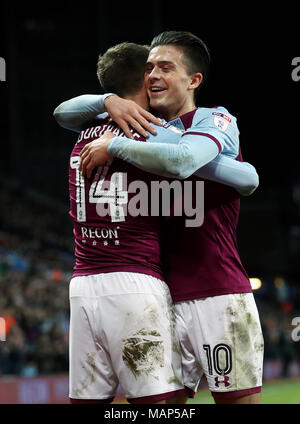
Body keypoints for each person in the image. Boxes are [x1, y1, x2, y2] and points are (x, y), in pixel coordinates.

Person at [55, 31, 264, 404]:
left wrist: (115, 144)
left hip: (217, 291)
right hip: (161, 293)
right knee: (164, 406)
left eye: (165, 67)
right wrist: (108, 101)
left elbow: (218, 170)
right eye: (149, 68)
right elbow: (62, 112)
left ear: (193, 79)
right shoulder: (141, 127)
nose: (154, 75)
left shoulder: (213, 121)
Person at [58, 42, 187, 404]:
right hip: (135, 282)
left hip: (83, 285)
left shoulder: (83, 131)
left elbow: (60, 112)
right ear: (147, 79)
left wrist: (104, 101)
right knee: (162, 405)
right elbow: (189, 159)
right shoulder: (154, 133)